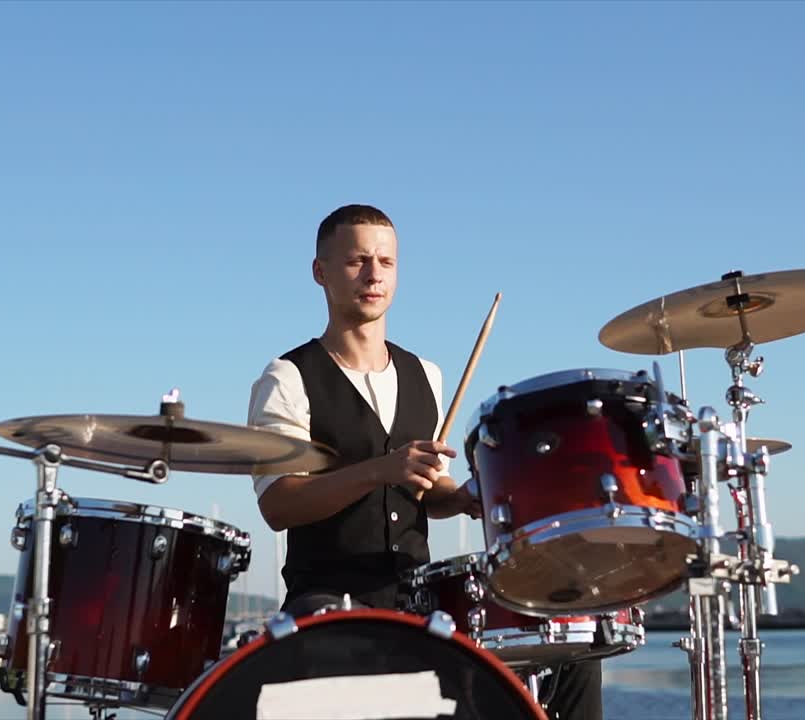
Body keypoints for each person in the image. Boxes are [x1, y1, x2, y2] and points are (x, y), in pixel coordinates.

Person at [246, 203, 603, 720]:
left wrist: (459, 498)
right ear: (321, 272)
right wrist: (378, 469)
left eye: (386, 262)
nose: (374, 275)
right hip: (326, 600)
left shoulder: (424, 374)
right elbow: (278, 505)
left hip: (418, 598)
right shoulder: (287, 377)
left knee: (573, 654)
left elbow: (420, 488)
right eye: (357, 261)